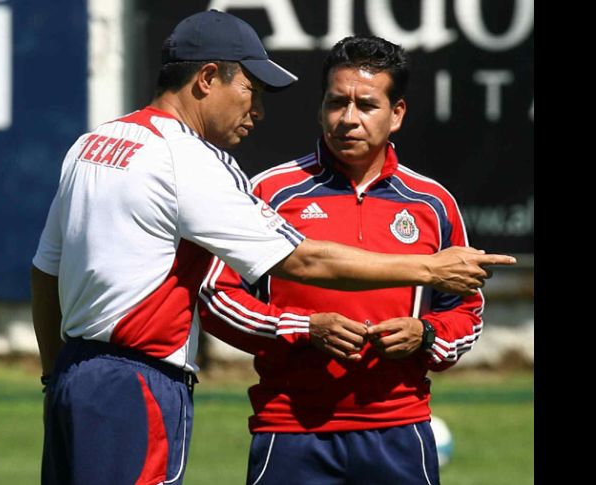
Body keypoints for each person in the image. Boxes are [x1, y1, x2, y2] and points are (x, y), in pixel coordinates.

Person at [31, 11, 514, 485]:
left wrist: (57, 376)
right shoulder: (192, 161)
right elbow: (301, 260)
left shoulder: (95, 142)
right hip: (146, 385)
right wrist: (425, 270)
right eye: (250, 90)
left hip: (77, 374)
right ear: (207, 78)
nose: (256, 110)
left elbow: (45, 272)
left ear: (397, 113)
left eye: (365, 105)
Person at [197, 35, 485, 485]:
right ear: (320, 108)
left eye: (366, 105)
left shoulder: (433, 204)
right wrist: (304, 329)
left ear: (397, 115)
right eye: (336, 103)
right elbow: (217, 296)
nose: (348, 119)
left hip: (399, 430)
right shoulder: (270, 192)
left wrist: (425, 334)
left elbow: (465, 312)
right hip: (290, 430)